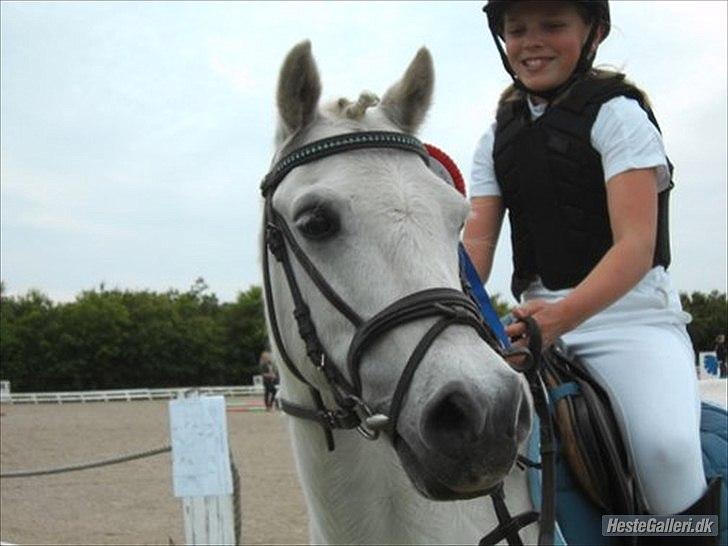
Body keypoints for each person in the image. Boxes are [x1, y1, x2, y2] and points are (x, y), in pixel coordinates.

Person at [464, 0, 720, 531]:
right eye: (518, 30)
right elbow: (476, 253)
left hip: (630, 322)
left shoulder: (620, 116)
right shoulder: (495, 139)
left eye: (553, 26)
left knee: (667, 451)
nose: (532, 41)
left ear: (594, 32)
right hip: (531, 323)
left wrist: (558, 320)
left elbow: (635, 248)